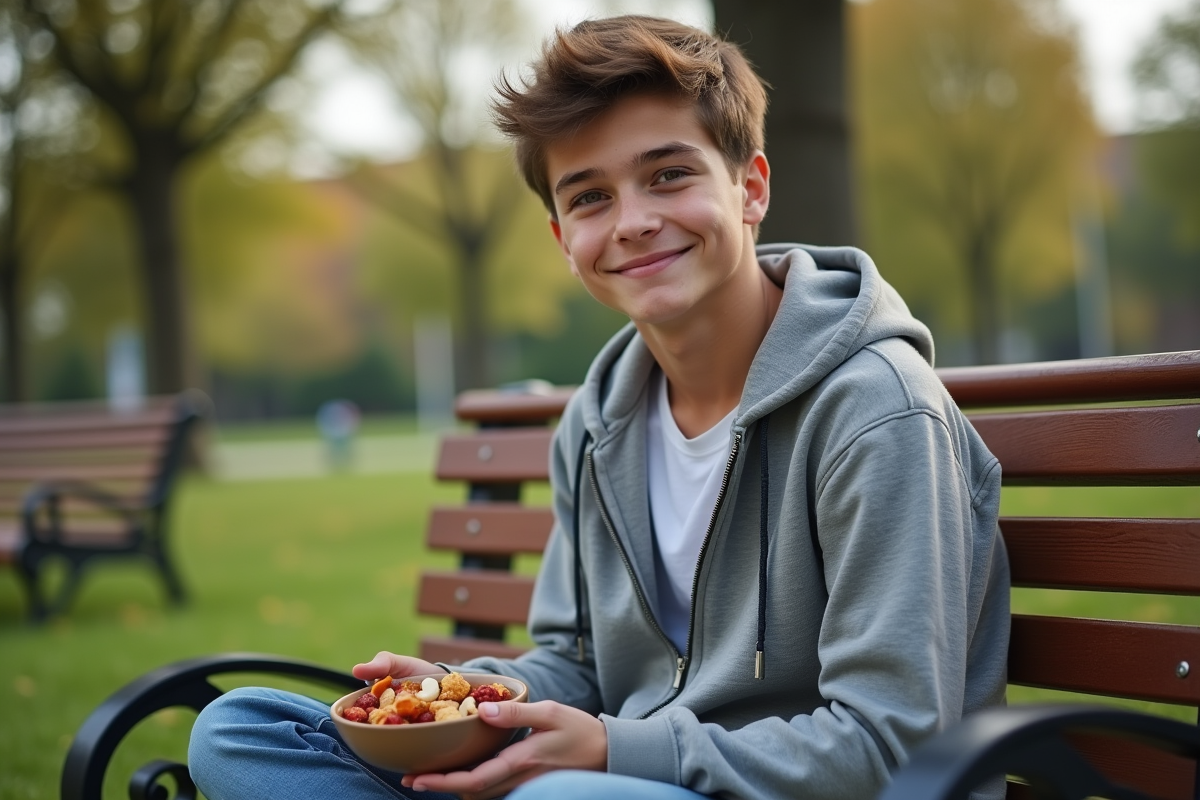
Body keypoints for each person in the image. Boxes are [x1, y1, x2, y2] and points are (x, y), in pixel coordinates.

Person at [188, 14, 1009, 800]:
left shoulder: (876, 411)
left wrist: (620, 752)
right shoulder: (599, 419)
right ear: (562, 242)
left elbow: (891, 744)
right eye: (589, 198)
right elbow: (575, 665)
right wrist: (470, 698)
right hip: (613, 779)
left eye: (669, 174)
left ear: (750, 188)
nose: (635, 222)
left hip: (786, 788)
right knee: (240, 730)